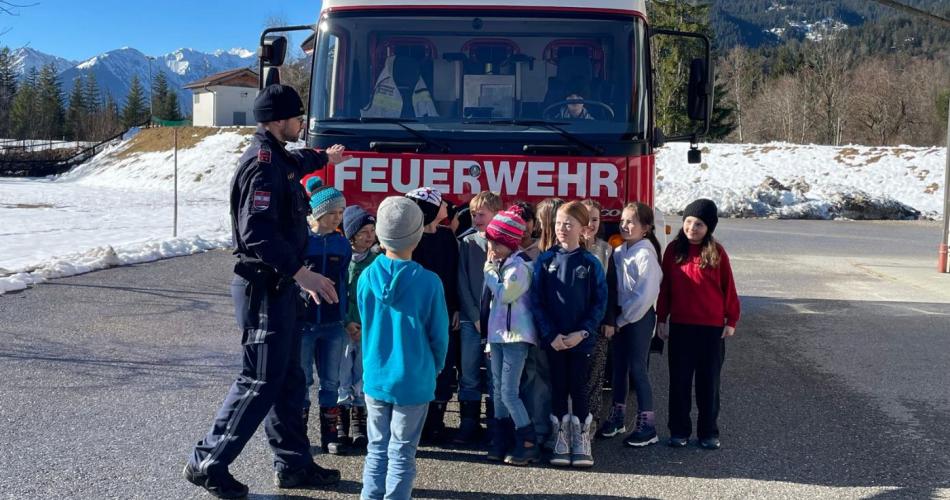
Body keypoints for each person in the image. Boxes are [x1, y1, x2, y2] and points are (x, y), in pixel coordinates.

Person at [184, 84, 350, 498]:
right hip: (263, 286)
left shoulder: (278, 156)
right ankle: (207, 462)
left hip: (281, 288)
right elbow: (254, 232)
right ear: (278, 120)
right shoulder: (261, 164)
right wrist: (302, 274)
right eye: (297, 118)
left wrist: (324, 159)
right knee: (258, 380)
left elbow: (297, 160)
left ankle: (293, 464)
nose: (301, 125)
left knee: (290, 380)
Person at [358, 196, 449, 500]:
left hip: (375, 374)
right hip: (414, 378)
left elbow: (364, 320)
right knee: (402, 451)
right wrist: (433, 368)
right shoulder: (429, 282)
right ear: (418, 233)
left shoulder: (366, 275)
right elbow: (439, 336)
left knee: (377, 448)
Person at [656, 199, 740, 451]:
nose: (693, 228)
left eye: (700, 224)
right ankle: (679, 430)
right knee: (679, 382)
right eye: (689, 222)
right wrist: (662, 318)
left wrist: (731, 319)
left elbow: (729, 289)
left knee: (708, 383)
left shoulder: (717, 252)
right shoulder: (673, 251)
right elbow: (665, 289)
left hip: (711, 329)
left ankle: (708, 432)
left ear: (709, 228)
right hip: (681, 326)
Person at [530, 201, 608, 468]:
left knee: (579, 386)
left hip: (580, 340)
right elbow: (536, 301)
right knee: (558, 386)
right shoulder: (545, 260)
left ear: (583, 228)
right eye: (559, 223)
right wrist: (550, 334)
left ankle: (581, 440)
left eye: (569, 224)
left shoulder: (590, 263)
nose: (562, 229)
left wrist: (583, 333)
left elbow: (599, 303)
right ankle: (560, 438)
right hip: (554, 339)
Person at [598, 202, 663, 447]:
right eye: (623, 221)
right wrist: (613, 318)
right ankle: (617, 416)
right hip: (621, 319)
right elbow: (613, 287)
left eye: (631, 222)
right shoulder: (619, 252)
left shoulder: (646, 254)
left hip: (638, 319)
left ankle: (648, 425)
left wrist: (622, 320)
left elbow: (645, 295)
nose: (625, 226)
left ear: (645, 228)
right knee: (619, 368)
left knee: (637, 368)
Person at [481, 206, 540, 466]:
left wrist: (490, 274)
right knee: (496, 390)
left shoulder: (521, 267)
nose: (491, 247)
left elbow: (505, 295)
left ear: (509, 242)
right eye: (490, 242)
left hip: (516, 337)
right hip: (498, 336)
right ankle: (500, 438)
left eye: (496, 242)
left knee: (508, 392)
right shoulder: (502, 263)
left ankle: (527, 442)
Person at [298, 178, 352, 456]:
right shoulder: (302, 239)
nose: (337, 218)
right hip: (305, 323)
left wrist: (345, 315)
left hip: (332, 323)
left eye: (341, 213)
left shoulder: (342, 244)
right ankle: (300, 435)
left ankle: (330, 434)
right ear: (319, 213)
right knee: (303, 380)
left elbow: (344, 277)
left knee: (331, 380)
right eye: (333, 213)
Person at [404, 187, 460, 445]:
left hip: (444, 311)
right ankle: (418, 423)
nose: (447, 207)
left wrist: (456, 307)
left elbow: (454, 274)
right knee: (418, 364)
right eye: (442, 204)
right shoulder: (410, 242)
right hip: (417, 314)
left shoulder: (448, 237)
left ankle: (436, 422)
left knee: (444, 365)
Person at [455, 191, 503, 444]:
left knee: (495, 374)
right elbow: (461, 280)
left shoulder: (506, 245)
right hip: (470, 320)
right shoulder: (467, 243)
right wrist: (474, 315)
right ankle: (468, 423)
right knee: (469, 372)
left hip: (497, 321)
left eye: (481, 214)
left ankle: (495, 424)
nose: (475, 218)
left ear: (496, 214)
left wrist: (492, 317)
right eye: (473, 214)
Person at [522, 197, 562, 450]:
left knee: (537, 376)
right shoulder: (540, 252)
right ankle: (545, 428)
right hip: (548, 325)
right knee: (544, 376)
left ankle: (539, 430)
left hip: (540, 324)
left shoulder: (541, 254)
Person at [339, 205, 379, 449]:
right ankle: (340, 419)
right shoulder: (341, 261)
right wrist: (345, 322)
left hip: (367, 328)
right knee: (343, 370)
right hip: (344, 327)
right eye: (363, 231)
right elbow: (337, 292)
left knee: (362, 373)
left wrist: (366, 323)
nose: (369, 236)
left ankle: (358, 418)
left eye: (372, 230)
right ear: (351, 234)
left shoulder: (376, 262)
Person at [580, 199, 612, 428]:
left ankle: (592, 423)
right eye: (586, 218)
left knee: (594, 375)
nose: (590, 224)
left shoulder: (606, 250)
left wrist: (609, 320)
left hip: (597, 323)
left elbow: (612, 288)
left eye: (595, 219)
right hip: (571, 323)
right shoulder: (567, 248)